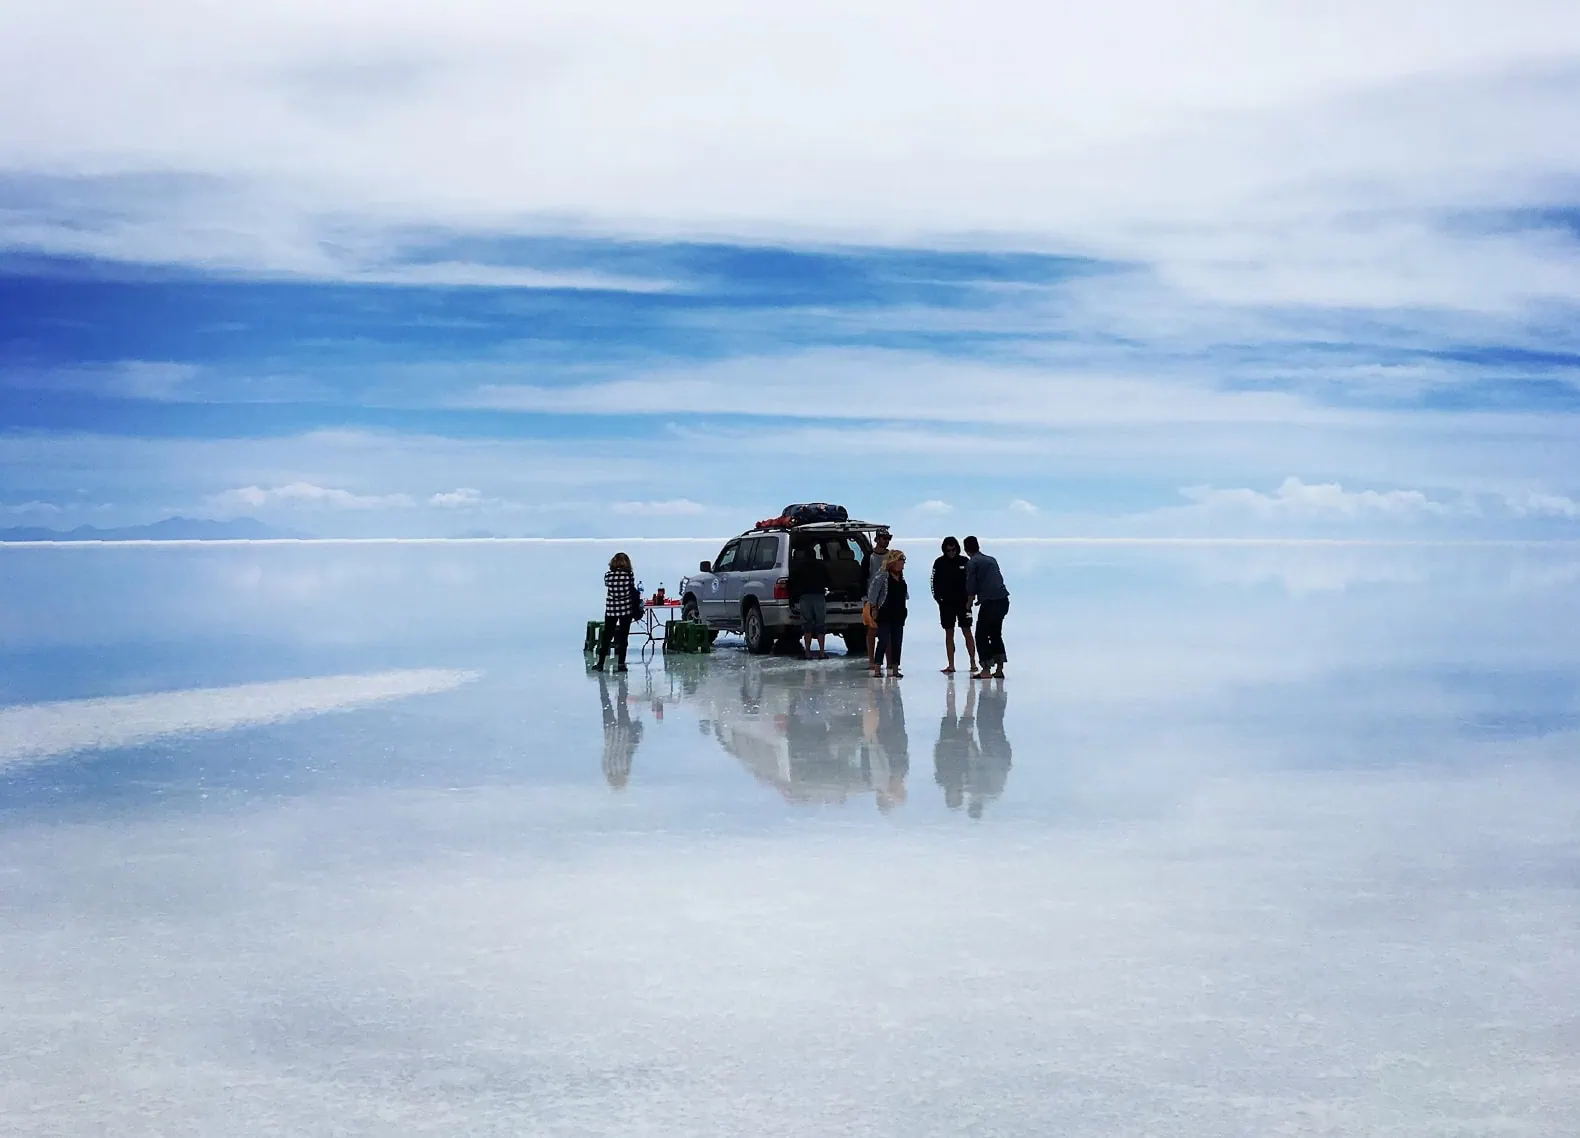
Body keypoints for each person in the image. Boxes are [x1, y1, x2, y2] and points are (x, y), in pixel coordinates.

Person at [930, 535, 978, 675]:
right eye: (948, 550)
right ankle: (951, 664)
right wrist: (939, 599)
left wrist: (970, 599)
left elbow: (972, 581)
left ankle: (973, 662)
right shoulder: (939, 563)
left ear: (957, 549)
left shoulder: (965, 561)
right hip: (946, 605)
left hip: (964, 604)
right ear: (944, 550)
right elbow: (933, 583)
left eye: (953, 549)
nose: (951, 552)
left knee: (967, 632)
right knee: (949, 633)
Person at [963, 535, 1009, 679]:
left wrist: (969, 604)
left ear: (965, 549)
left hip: (990, 603)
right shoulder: (991, 559)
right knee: (996, 633)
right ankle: (1000, 668)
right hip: (1003, 600)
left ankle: (986, 669)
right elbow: (995, 580)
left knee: (981, 635)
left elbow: (971, 586)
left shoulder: (973, 563)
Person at [866, 548, 909, 679]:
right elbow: (873, 593)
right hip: (885, 612)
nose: (902, 564)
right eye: (900, 561)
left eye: (903, 561)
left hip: (899, 613)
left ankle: (895, 668)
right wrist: (874, 609)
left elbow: (904, 595)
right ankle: (877, 667)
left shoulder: (901, 578)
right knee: (883, 640)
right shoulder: (883, 576)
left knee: (897, 641)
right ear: (893, 562)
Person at [595, 551, 638, 672]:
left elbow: (607, 585)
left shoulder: (608, 576)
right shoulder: (629, 576)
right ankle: (621, 664)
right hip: (626, 609)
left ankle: (600, 663)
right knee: (623, 638)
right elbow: (631, 589)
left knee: (607, 637)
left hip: (611, 609)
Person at [598, 672, 643, 789]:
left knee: (621, 704)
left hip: (622, 732)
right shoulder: (607, 768)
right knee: (606, 702)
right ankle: (606, 683)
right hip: (610, 731)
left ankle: (620, 682)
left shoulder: (623, 769)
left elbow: (630, 750)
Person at [789, 545, 830, 658]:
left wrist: (794, 595)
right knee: (820, 625)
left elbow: (792, 582)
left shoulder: (799, 567)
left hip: (805, 597)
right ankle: (822, 653)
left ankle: (808, 652)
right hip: (819, 596)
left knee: (807, 625)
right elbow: (828, 580)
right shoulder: (822, 566)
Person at [861, 530, 892, 668]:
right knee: (872, 630)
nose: (886, 541)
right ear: (877, 539)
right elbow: (863, 576)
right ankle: (871, 660)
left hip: (889, 598)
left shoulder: (891, 556)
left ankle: (890, 662)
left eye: (888, 538)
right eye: (884, 538)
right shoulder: (869, 557)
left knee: (888, 631)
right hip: (872, 598)